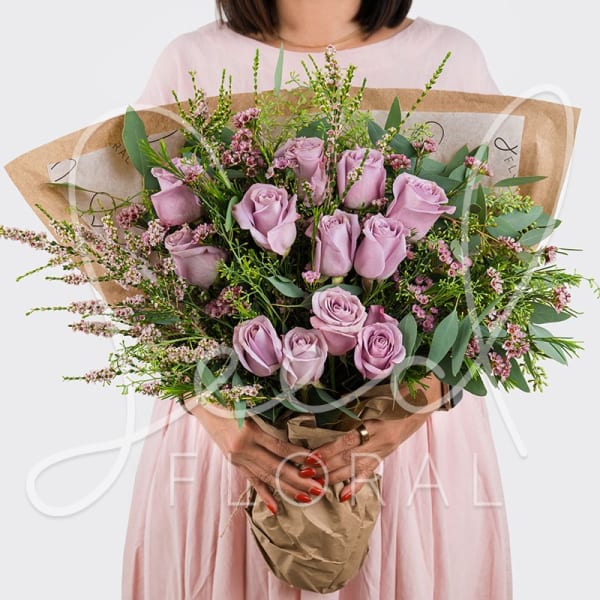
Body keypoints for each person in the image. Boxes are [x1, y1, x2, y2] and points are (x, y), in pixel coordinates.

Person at [123, 1, 512, 598]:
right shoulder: (193, 63)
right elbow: (138, 279)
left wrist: (413, 407)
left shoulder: (449, 60)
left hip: (408, 448)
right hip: (236, 448)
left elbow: (494, 275)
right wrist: (218, 418)